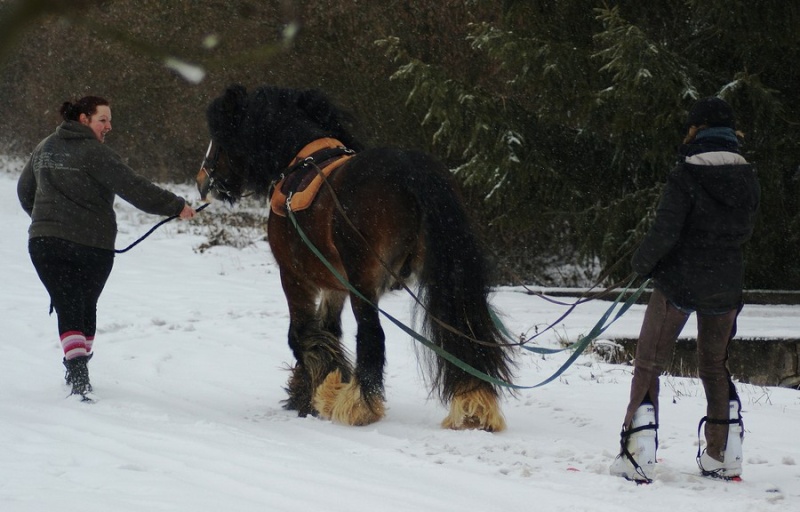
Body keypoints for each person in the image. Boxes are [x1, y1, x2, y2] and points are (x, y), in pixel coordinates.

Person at [609, 97, 760, 482]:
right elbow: (744, 232)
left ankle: (638, 452)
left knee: (649, 362)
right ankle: (724, 453)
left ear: (697, 130)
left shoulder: (685, 175)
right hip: (725, 283)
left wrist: (641, 265)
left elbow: (665, 232)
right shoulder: (748, 176)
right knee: (713, 364)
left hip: (679, 281)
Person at [17, 95, 196, 400]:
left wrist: (47, 219)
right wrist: (176, 205)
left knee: (74, 304)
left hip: (45, 243)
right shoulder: (95, 153)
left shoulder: (44, 147)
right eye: (103, 119)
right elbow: (134, 187)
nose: (109, 126)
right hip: (90, 246)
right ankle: (78, 374)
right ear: (83, 120)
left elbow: (25, 191)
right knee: (79, 305)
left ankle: (77, 365)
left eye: (109, 120)